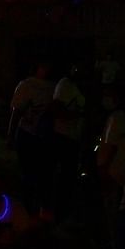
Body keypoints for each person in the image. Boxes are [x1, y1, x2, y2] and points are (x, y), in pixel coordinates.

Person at [8, 61, 55, 214]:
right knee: (30, 174)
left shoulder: (51, 86)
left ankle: (38, 209)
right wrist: (11, 134)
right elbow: (17, 111)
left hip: (41, 135)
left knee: (39, 175)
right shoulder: (28, 85)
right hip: (30, 134)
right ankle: (31, 209)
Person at [96, 85, 125, 246]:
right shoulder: (123, 117)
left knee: (112, 212)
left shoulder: (116, 118)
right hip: (119, 172)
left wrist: (103, 170)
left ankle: (114, 245)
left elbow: (110, 147)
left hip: (113, 173)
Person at [50, 63, 86, 221]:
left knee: (68, 177)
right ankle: (59, 213)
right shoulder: (65, 85)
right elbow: (56, 109)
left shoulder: (73, 86)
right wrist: (78, 115)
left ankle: (64, 211)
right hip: (64, 138)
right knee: (64, 177)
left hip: (72, 138)